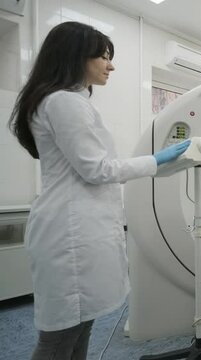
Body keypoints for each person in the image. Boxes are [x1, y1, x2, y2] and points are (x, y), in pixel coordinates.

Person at [8, 21, 189, 360]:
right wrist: (156, 161)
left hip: (78, 225)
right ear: (76, 56)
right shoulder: (64, 102)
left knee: (82, 322)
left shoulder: (64, 101)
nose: (111, 64)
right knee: (60, 335)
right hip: (70, 232)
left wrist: (160, 164)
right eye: (103, 56)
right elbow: (97, 169)